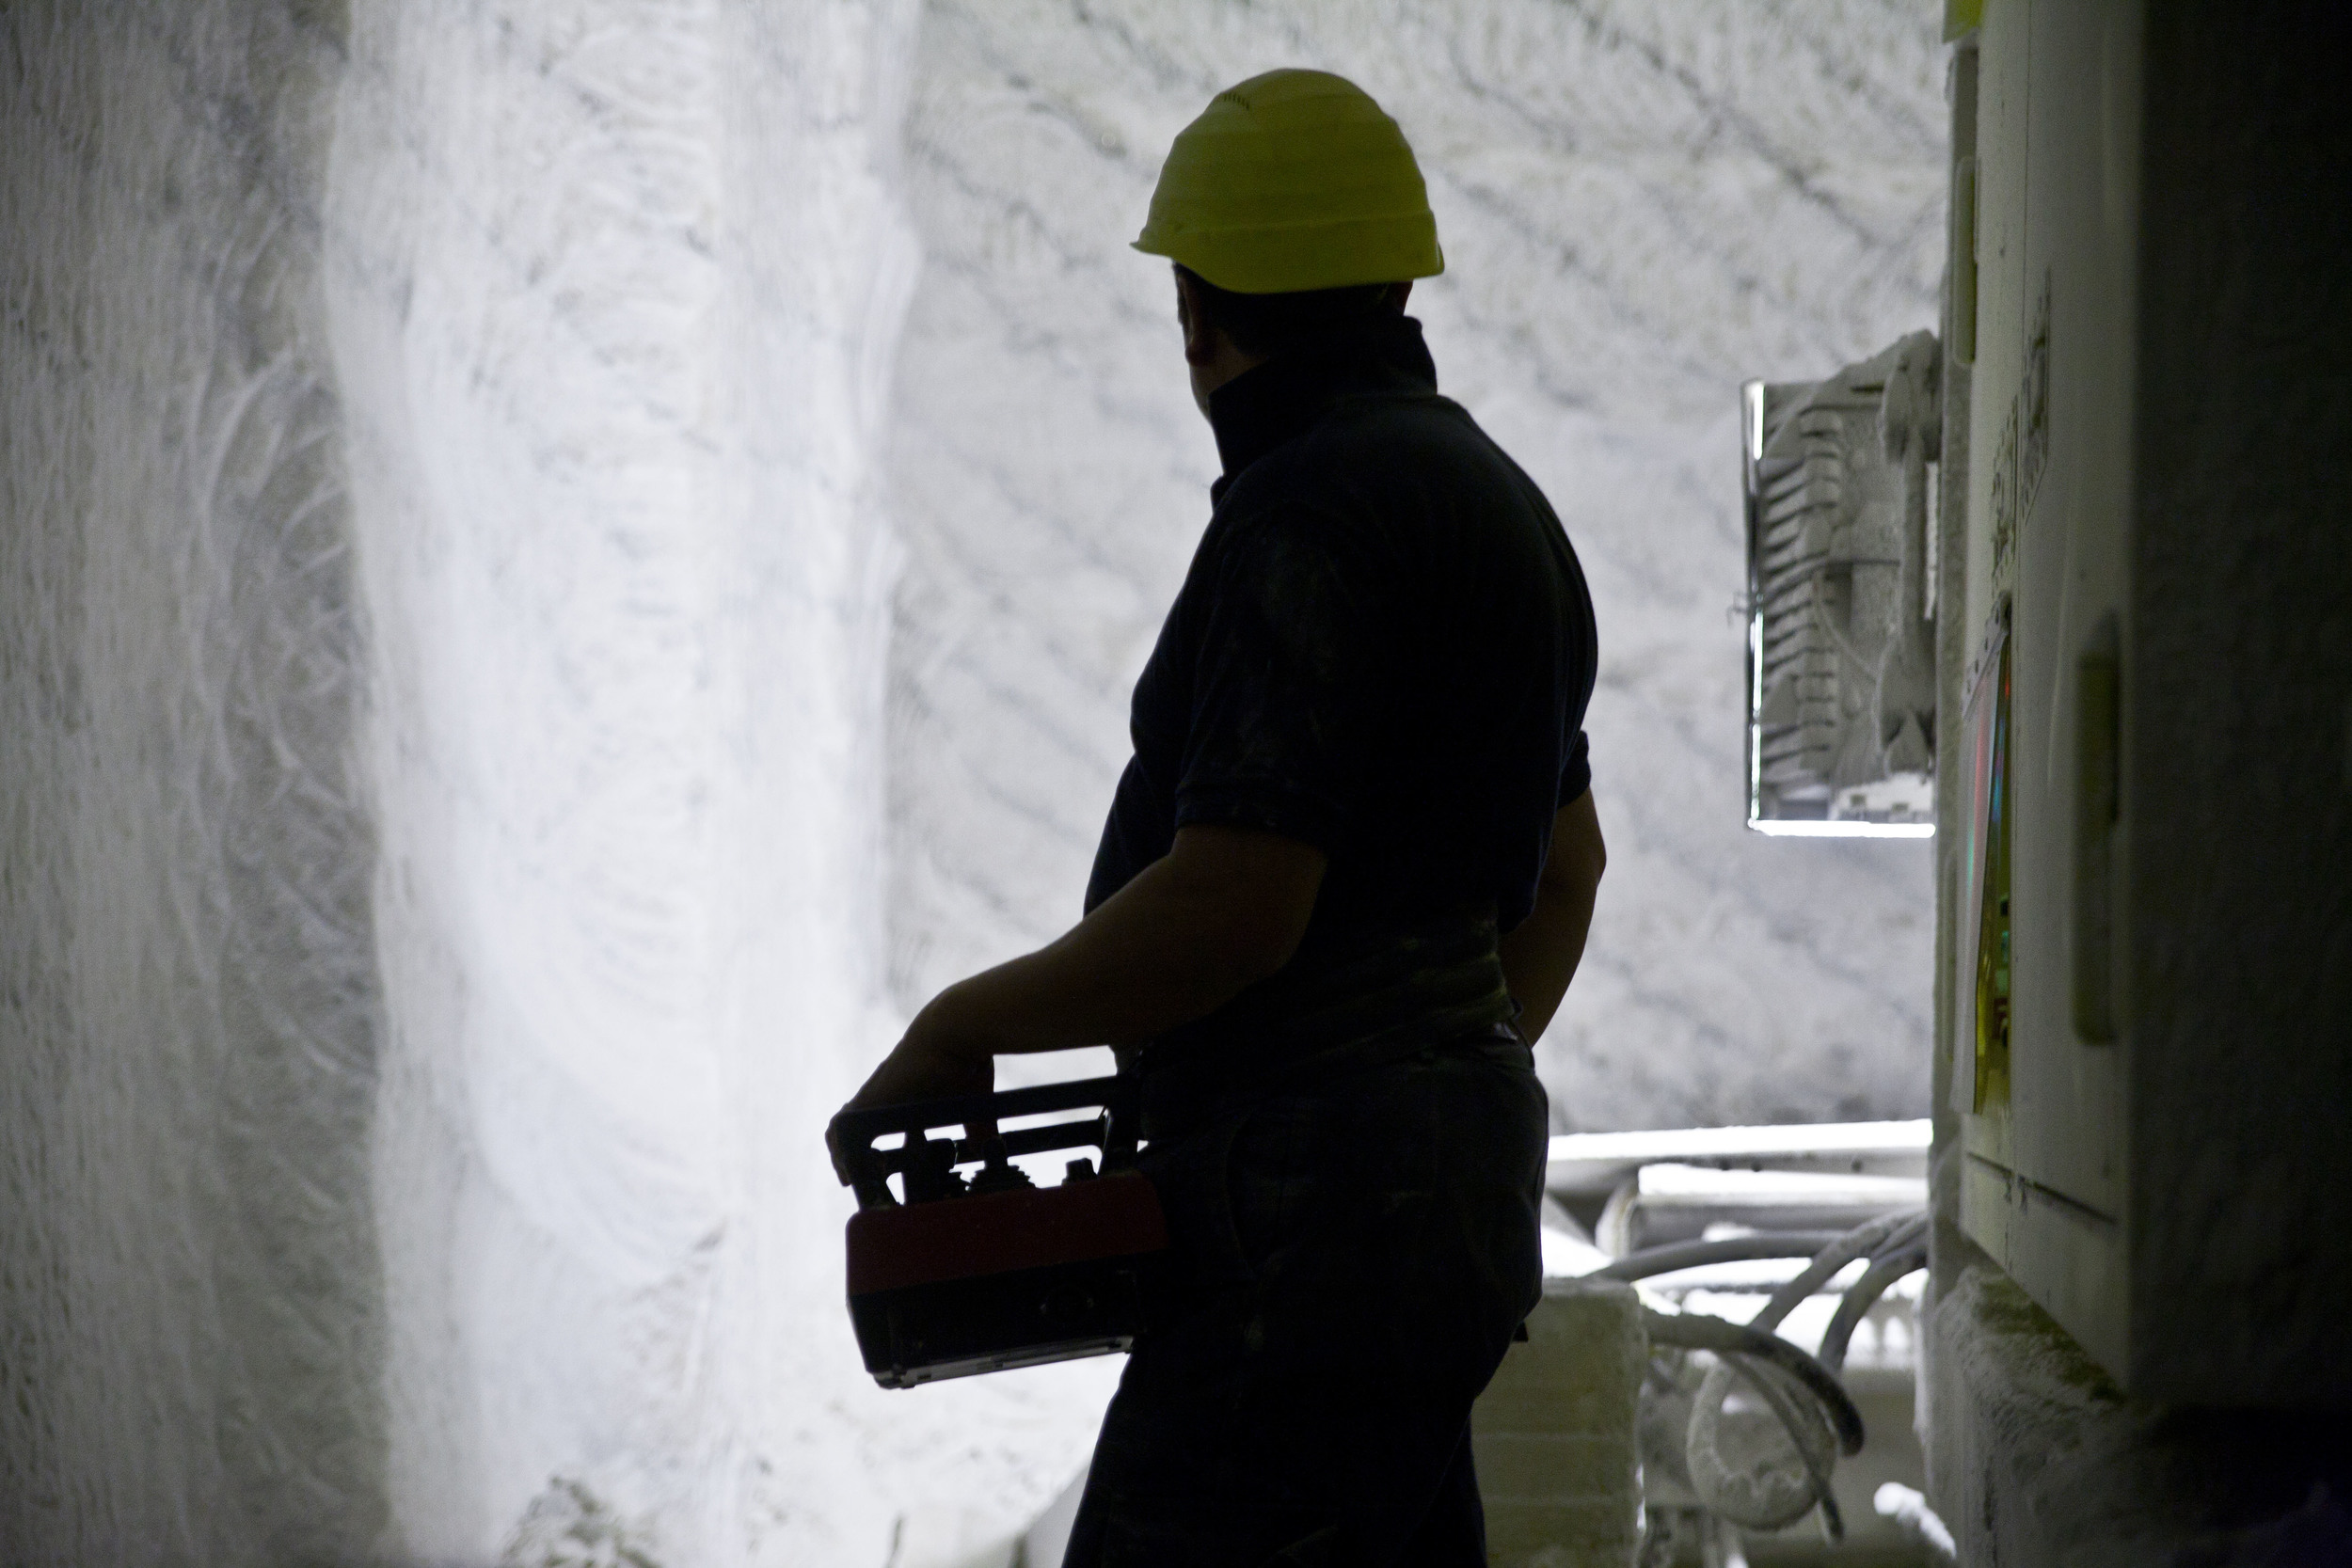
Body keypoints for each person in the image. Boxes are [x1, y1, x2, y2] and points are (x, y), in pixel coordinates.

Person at [831, 68, 1603, 1567]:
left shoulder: (1305, 514)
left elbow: (1239, 905)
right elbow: (1566, 876)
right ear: (1392, 283)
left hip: (1301, 1248)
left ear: (1201, 312)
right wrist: (1428, 1100)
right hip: (1450, 1211)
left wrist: (959, 1028)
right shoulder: (1500, 506)